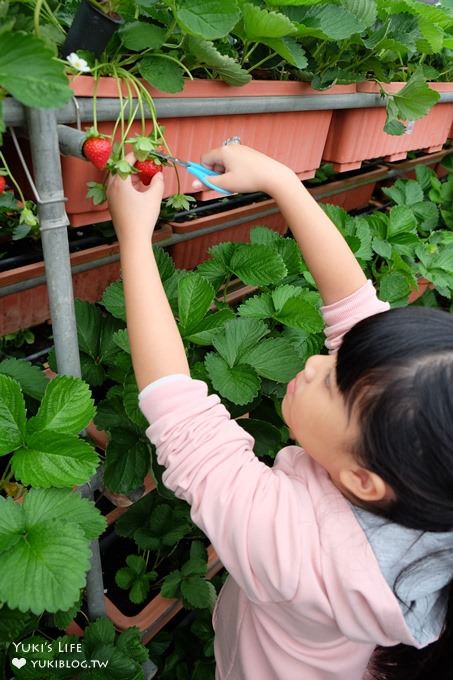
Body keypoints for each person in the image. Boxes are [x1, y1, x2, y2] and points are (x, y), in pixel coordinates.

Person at [106, 145, 453, 680]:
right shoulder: (429, 487)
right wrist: (282, 182)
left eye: (334, 383)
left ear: (362, 479)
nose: (316, 361)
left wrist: (132, 237)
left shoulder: (297, 552)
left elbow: (181, 417)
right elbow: (356, 313)